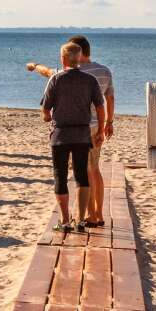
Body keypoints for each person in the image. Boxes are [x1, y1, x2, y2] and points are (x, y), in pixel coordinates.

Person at [27, 34, 114, 225]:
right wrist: (107, 124)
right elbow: (108, 100)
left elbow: (47, 75)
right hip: (90, 128)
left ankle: (78, 217)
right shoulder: (103, 72)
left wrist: (34, 66)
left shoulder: (59, 76)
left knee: (71, 173)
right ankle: (94, 215)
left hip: (71, 131)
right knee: (92, 171)